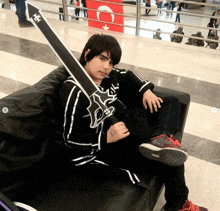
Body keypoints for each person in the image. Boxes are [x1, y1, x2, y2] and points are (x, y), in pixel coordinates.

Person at [59, 33, 208, 211]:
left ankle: (161, 136)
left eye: (111, 62)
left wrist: (146, 90)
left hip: (128, 124)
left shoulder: (109, 77)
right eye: (102, 58)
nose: (107, 67)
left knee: (171, 102)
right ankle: (179, 204)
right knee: (171, 157)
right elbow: (69, 138)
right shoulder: (73, 90)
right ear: (87, 54)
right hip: (110, 146)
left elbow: (128, 75)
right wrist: (105, 137)